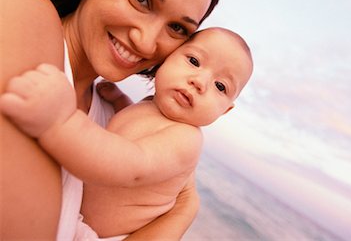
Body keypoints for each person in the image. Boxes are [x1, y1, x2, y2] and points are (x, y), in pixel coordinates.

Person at [0, 0, 226, 239]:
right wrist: (182, 210)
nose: (147, 42)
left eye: (178, 28)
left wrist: (183, 210)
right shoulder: (20, 12)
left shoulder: (111, 126)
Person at [0, 27, 253, 240]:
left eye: (220, 86)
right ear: (167, 59)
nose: (200, 82)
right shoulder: (150, 106)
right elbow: (135, 129)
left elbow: (130, 162)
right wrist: (120, 100)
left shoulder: (187, 140)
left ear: (225, 111)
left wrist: (58, 122)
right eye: (194, 61)